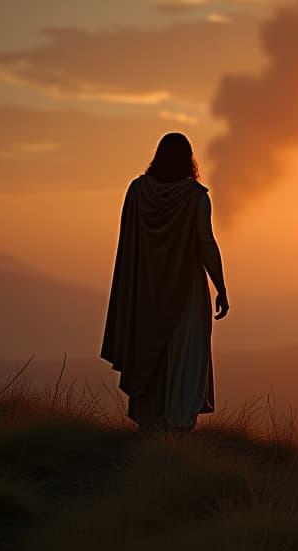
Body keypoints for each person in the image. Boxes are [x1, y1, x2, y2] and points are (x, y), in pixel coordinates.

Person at [101, 132, 228, 433]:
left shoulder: (137, 191)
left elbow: (130, 245)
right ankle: (178, 424)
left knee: (149, 353)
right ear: (189, 161)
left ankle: (151, 423)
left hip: (144, 290)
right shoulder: (195, 197)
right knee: (184, 356)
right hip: (186, 292)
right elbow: (206, 243)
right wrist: (221, 286)